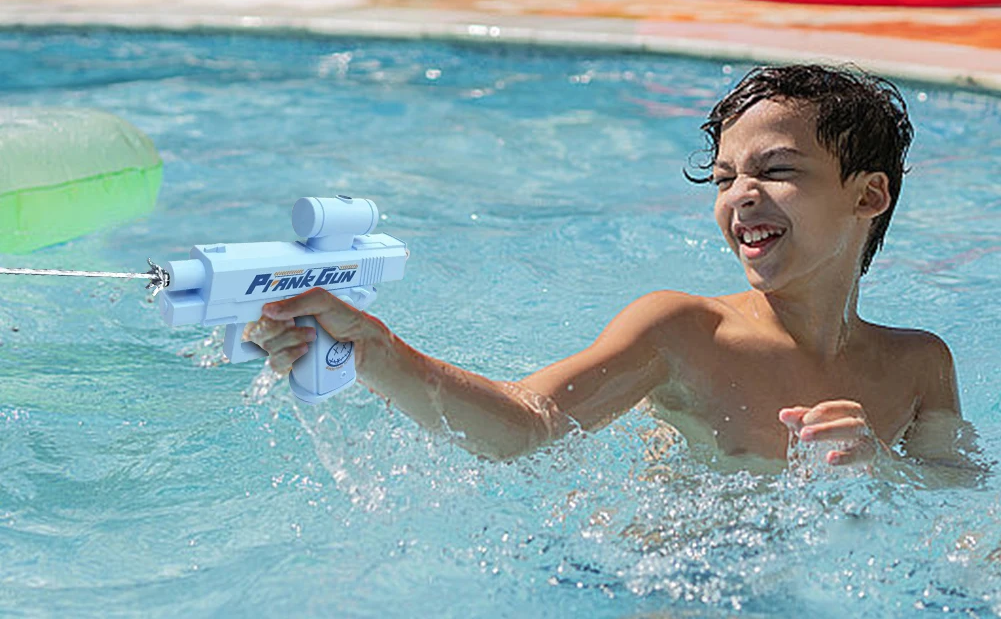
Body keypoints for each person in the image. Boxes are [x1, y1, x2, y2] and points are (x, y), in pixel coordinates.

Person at [244, 64, 981, 478]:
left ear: (868, 195)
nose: (741, 196)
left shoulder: (918, 366)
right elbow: (528, 426)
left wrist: (882, 470)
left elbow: (958, 502)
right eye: (724, 178)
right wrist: (376, 353)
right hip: (673, 595)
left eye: (777, 170)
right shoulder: (685, 332)